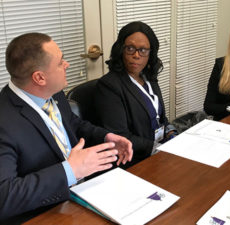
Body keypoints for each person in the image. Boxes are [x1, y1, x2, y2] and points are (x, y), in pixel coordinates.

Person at [0, 33, 133, 224]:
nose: (67, 64)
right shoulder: (4, 122)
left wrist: (106, 136)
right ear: (39, 77)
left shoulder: (53, 91)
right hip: (45, 213)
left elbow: (72, 124)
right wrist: (69, 171)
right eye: (60, 62)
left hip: (83, 196)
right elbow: (5, 197)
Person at [92, 21, 176, 167]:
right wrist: (158, 149)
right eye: (130, 48)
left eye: (143, 50)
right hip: (134, 161)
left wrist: (171, 133)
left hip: (159, 153)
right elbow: (120, 136)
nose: (136, 55)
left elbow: (159, 117)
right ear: (121, 50)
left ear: (151, 53)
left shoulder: (149, 77)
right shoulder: (109, 85)